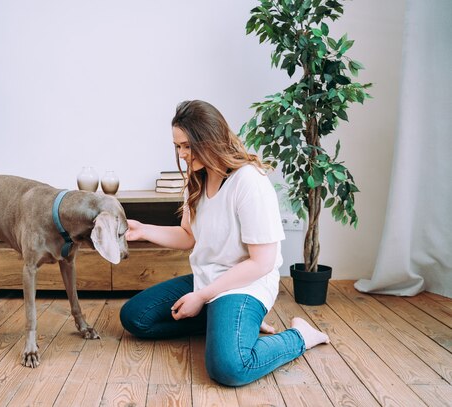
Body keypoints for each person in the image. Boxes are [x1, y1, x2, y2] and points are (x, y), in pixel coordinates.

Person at [120, 100, 330, 386]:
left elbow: (262, 262)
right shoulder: (198, 180)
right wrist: (143, 230)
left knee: (230, 366)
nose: (182, 154)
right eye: (177, 146)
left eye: (187, 146)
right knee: (136, 318)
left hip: (246, 284)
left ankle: (301, 336)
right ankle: (234, 326)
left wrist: (203, 296)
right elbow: (189, 237)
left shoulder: (249, 182)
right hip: (207, 279)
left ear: (208, 139)